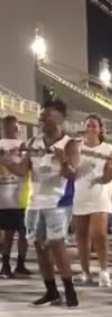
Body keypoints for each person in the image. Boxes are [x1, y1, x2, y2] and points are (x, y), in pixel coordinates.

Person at [0, 100, 79, 306]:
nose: (42, 119)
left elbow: (72, 175)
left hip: (58, 201)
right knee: (39, 246)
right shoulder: (34, 142)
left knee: (56, 245)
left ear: (60, 118)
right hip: (35, 202)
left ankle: (70, 291)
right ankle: (51, 291)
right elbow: (22, 170)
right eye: (42, 117)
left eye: (47, 116)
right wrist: (4, 160)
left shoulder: (70, 143)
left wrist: (63, 160)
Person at [73, 115, 112, 287]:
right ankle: (86, 272)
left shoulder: (108, 148)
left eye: (94, 125)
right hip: (80, 194)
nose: (90, 128)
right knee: (81, 236)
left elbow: (109, 176)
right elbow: (71, 168)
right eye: (88, 125)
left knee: (99, 234)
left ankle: (104, 270)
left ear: (100, 129)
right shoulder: (76, 147)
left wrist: (110, 172)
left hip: (100, 195)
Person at [0, 115, 31, 277]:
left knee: (24, 233)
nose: (15, 128)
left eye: (16, 126)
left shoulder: (24, 146)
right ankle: (5, 264)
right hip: (4, 195)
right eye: (12, 126)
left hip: (22, 195)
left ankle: (20, 264)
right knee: (8, 233)